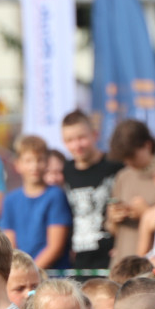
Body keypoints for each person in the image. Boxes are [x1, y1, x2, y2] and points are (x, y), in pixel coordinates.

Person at [0, 135, 72, 270]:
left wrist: (32, 272)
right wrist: (20, 272)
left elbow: (55, 247)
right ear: (17, 164)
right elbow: (10, 244)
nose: (34, 166)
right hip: (23, 273)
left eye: (40, 160)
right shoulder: (10, 200)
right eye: (28, 160)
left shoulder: (55, 196)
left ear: (47, 162)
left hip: (51, 276)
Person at [61, 111, 123, 270]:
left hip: (112, 259)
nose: (77, 145)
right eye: (70, 140)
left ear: (95, 135)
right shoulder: (65, 171)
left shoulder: (115, 166)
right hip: (79, 261)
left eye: (82, 138)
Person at [106, 120, 155, 261]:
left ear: (147, 145)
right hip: (122, 262)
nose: (127, 162)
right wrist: (114, 218)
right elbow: (112, 229)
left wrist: (147, 214)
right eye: (124, 157)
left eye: (131, 156)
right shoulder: (123, 176)